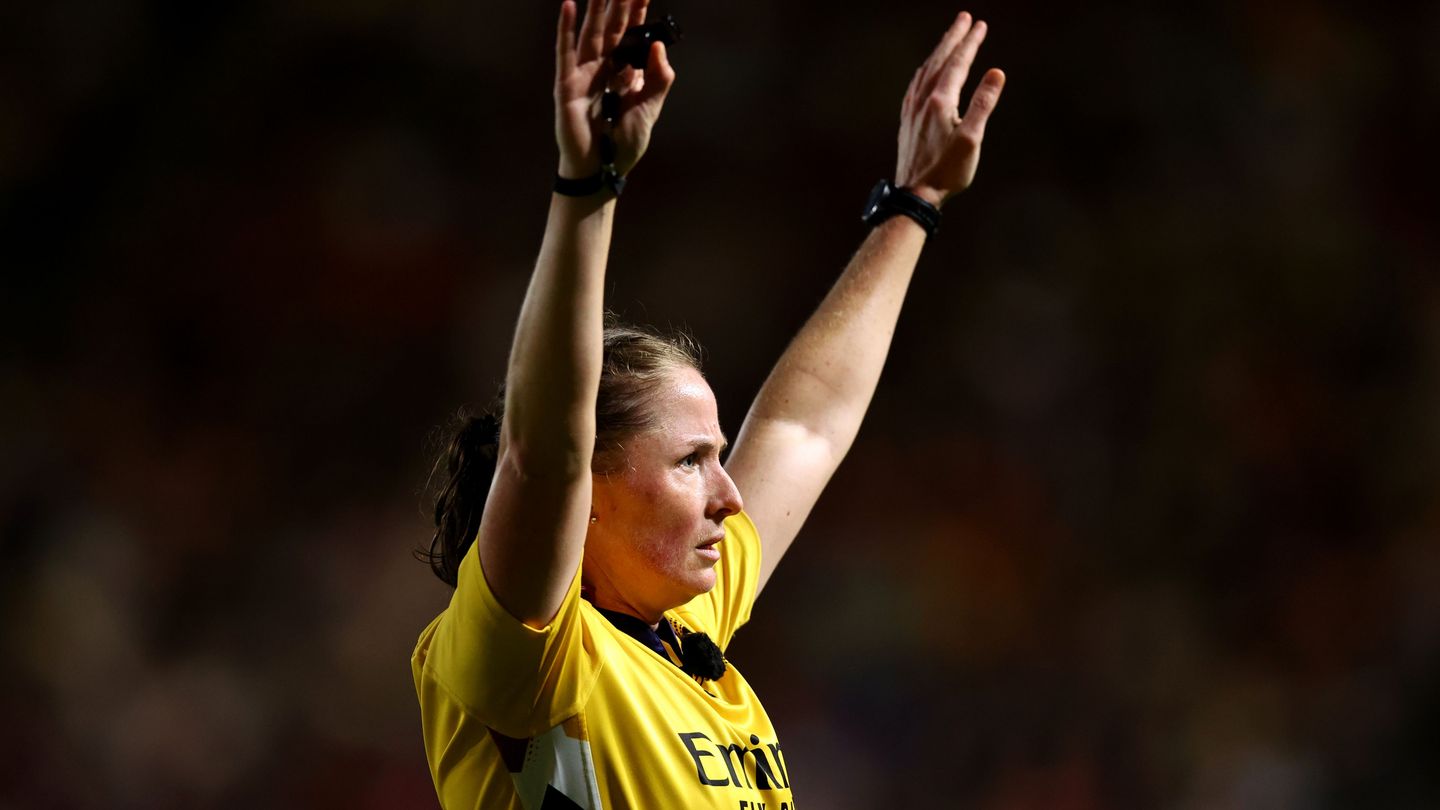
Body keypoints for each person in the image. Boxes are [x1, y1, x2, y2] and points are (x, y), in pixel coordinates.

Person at [411, 0, 1005, 806]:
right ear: (586, 490)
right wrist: (588, 186)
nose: (730, 495)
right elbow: (543, 447)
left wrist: (914, 202)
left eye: (717, 458)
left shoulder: (685, 631)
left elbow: (804, 422)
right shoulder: (529, 659)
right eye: (691, 461)